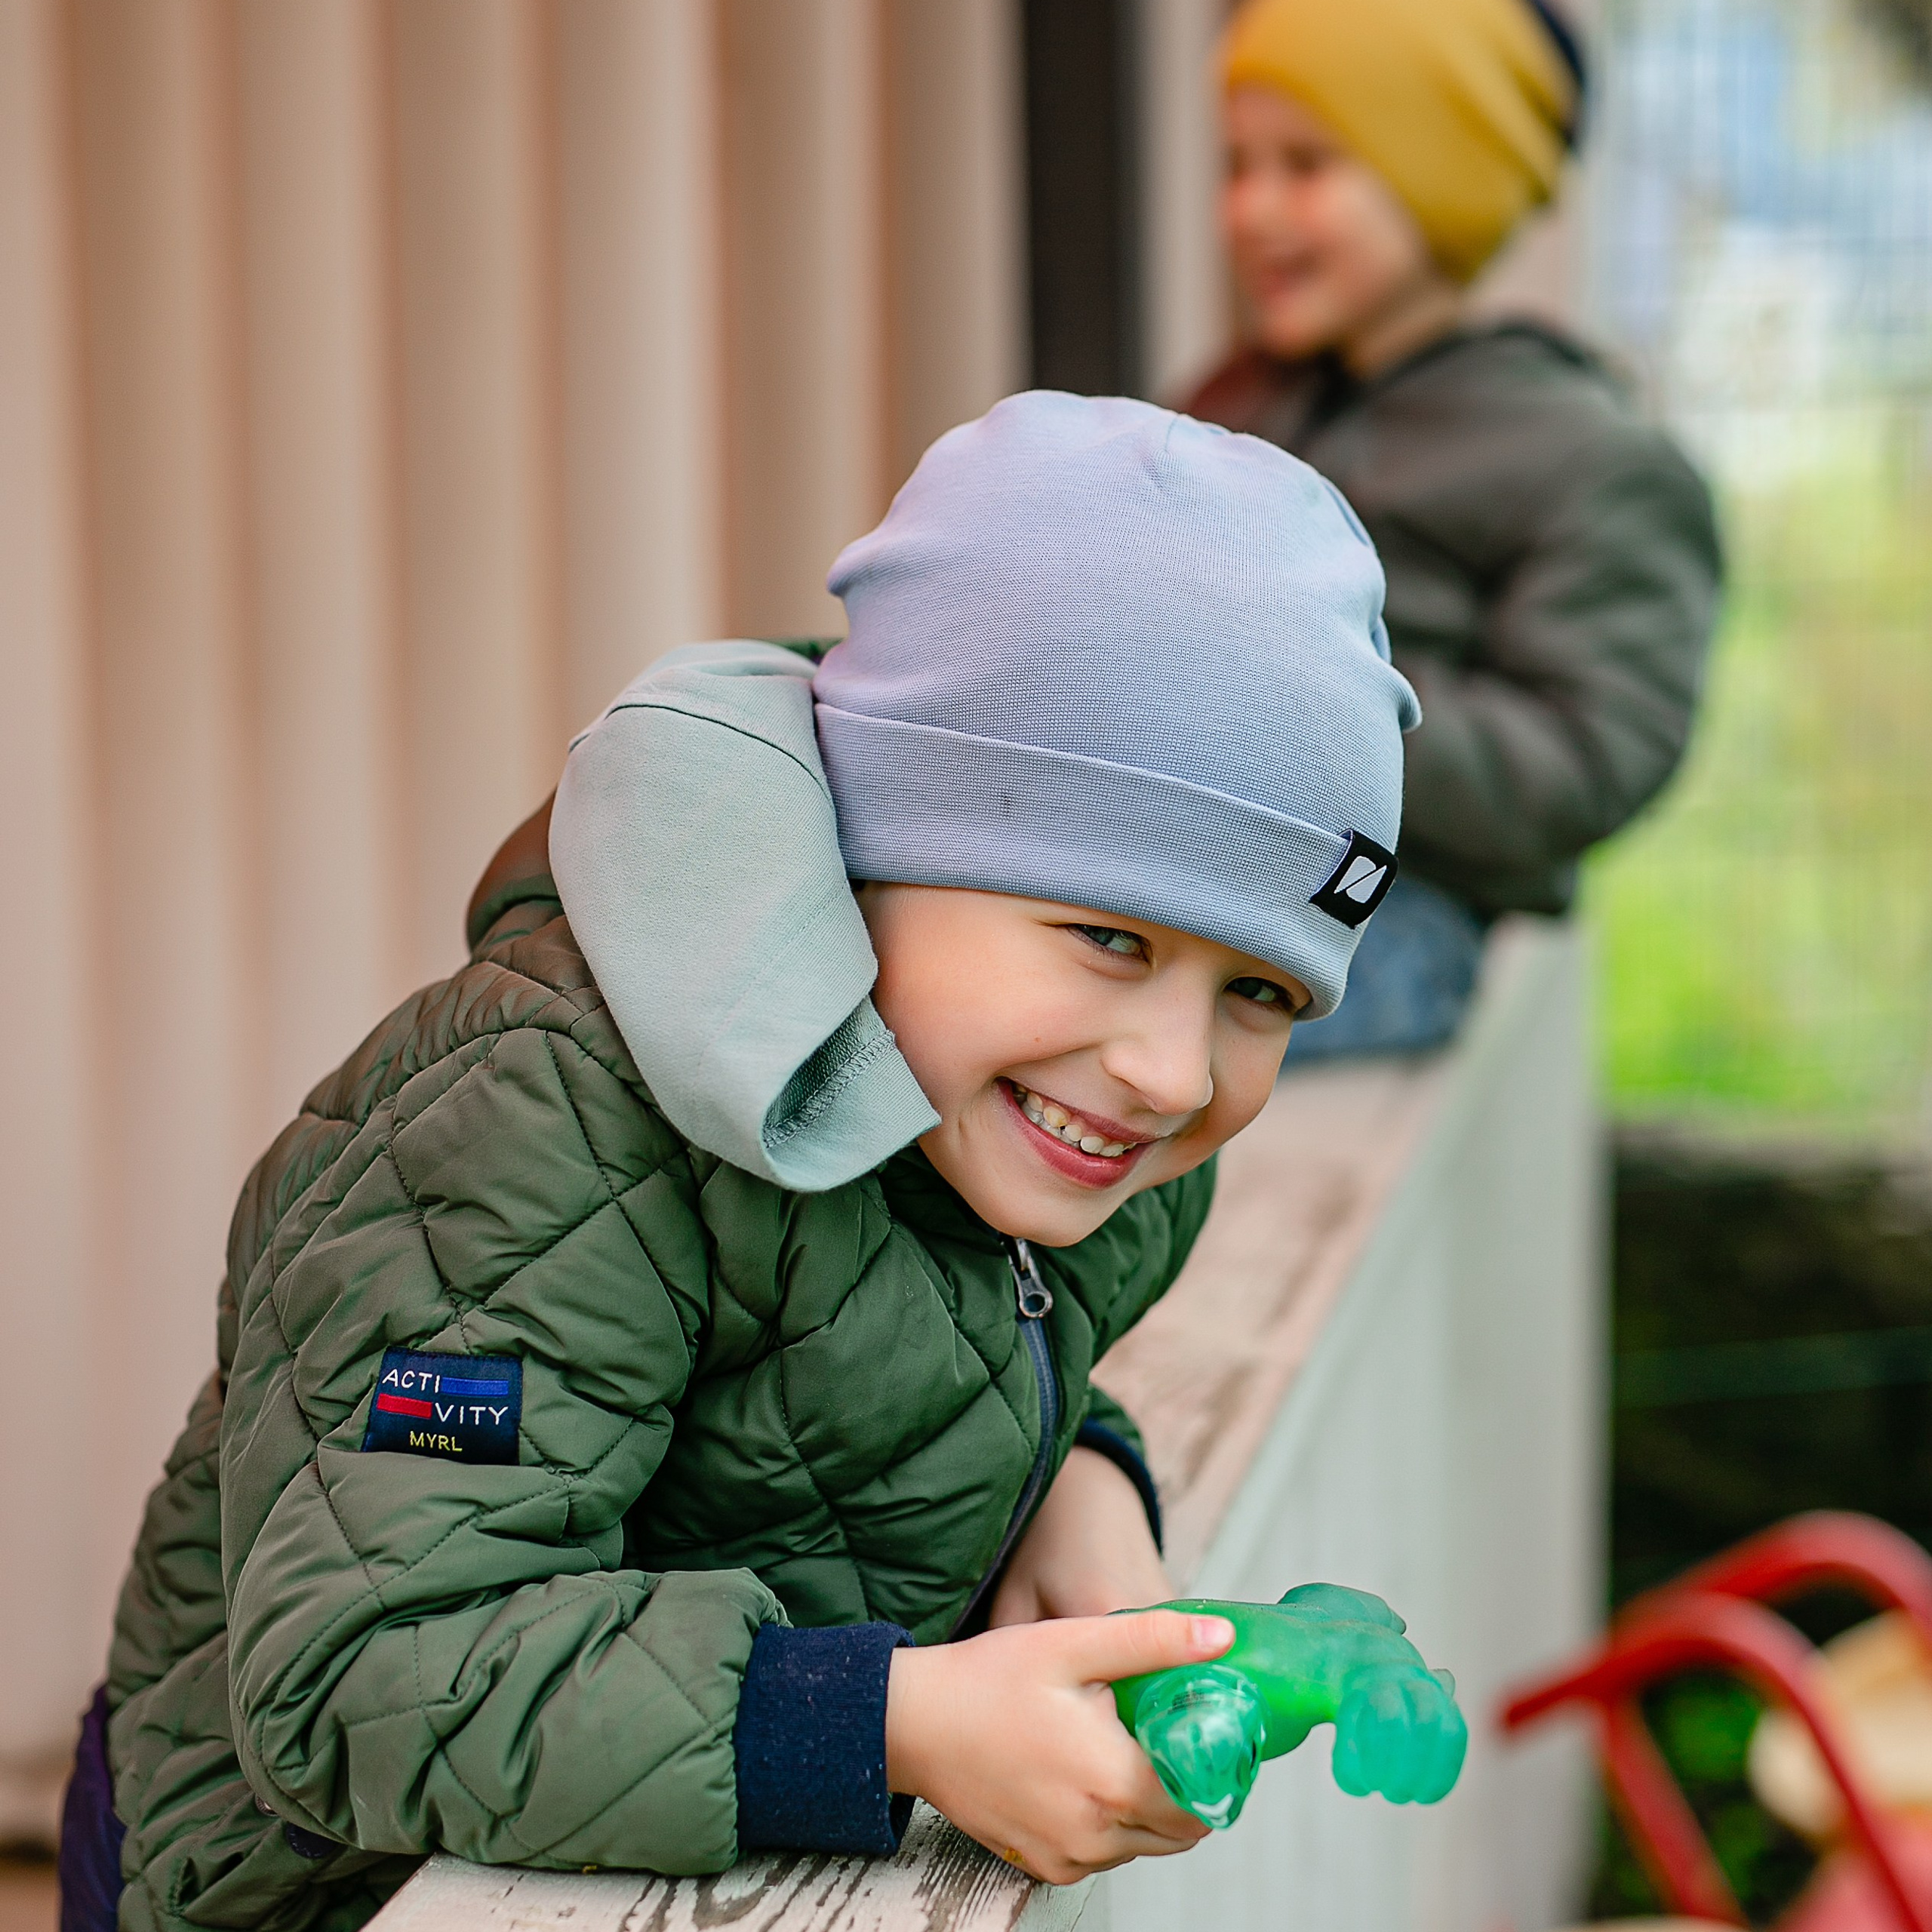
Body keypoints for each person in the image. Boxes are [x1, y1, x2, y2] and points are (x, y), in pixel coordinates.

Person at [66, 393, 1420, 1932]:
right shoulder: (539, 1126)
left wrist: (1075, 1476)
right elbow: (364, 1667)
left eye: (1261, 992)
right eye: (1110, 938)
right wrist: (886, 1723)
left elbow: (901, 1362)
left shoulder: (1044, 1128)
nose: (1172, 1072)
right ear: (881, 843)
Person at [1189, 0, 1724, 1062]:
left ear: (1443, 180)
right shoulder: (1237, 397)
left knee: (1094, 1010)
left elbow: (1584, 757)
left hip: (1389, 909)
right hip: (1177, 844)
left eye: (1306, 165)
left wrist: (1315, 694)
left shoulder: (1589, 461)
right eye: (1237, 165)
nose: (1251, 209)